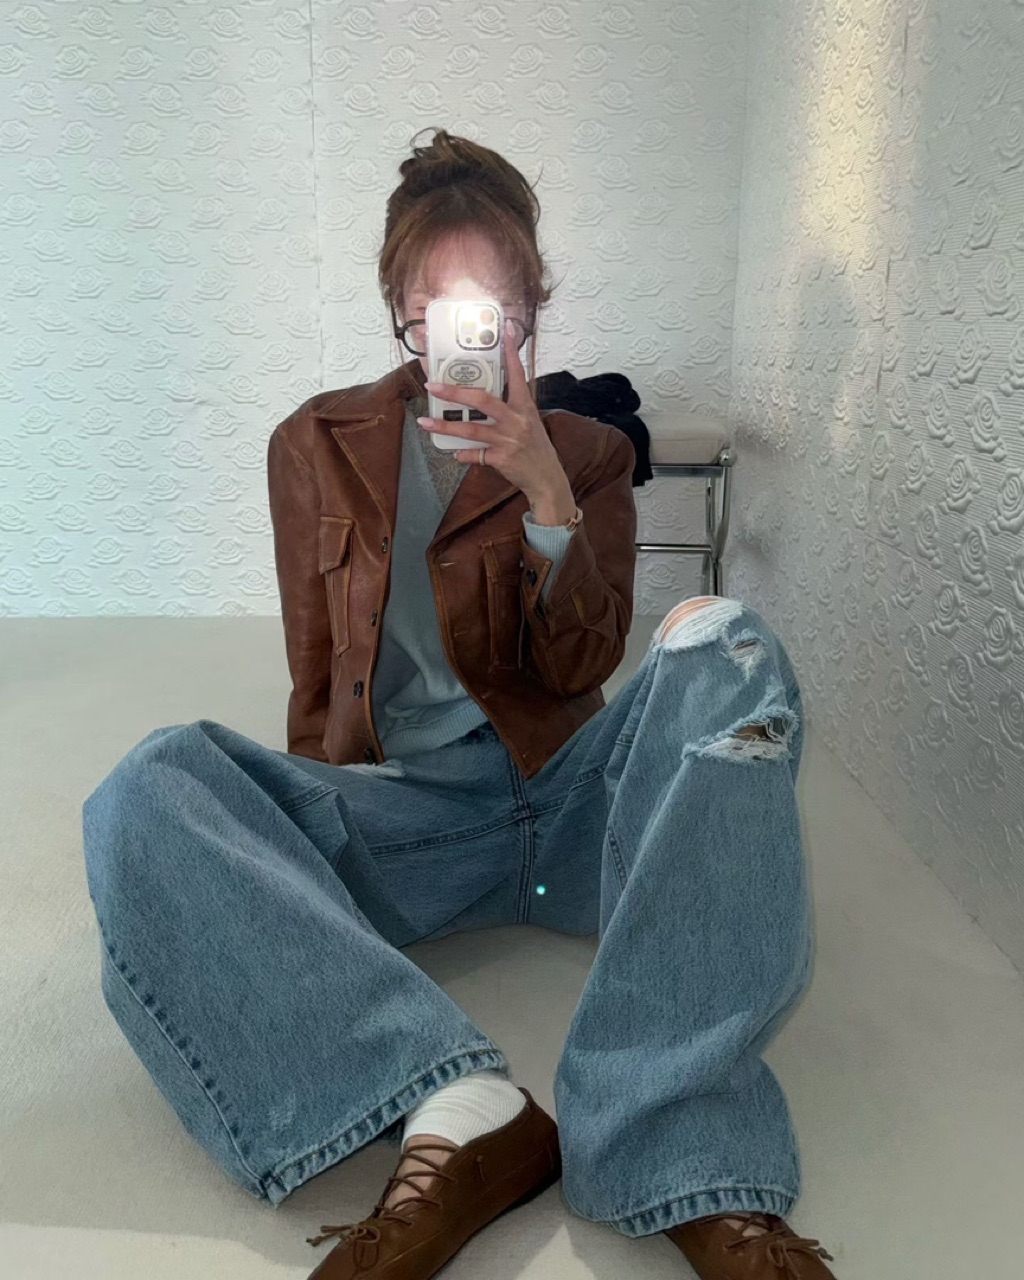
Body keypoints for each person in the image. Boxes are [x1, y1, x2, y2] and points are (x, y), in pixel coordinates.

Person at [81, 128, 838, 1279]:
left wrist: (546, 498)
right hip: (410, 818)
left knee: (728, 640)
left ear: (529, 307)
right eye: (439, 307)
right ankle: (459, 1108)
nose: (470, 335)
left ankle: (685, 1146)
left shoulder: (586, 450)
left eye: (495, 307)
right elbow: (316, 673)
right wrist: (289, 863)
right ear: (402, 309)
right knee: (151, 785)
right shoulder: (314, 443)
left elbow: (583, 661)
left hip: (576, 802)